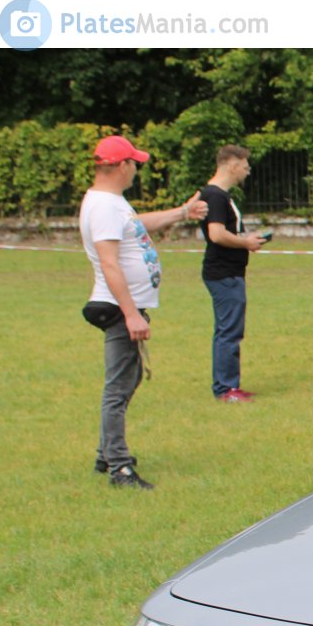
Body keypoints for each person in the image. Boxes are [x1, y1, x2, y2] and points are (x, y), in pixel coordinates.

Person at [80, 135, 206, 489]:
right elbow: (109, 263)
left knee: (127, 379)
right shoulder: (104, 206)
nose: (137, 170)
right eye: (135, 163)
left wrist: (181, 213)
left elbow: (137, 225)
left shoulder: (111, 202)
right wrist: (131, 313)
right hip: (120, 307)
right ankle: (118, 466)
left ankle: (108, 452)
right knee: (118, 387)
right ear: (121, 166)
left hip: (126, 305)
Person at [200, 144, 266, 402]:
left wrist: (246, 237)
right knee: (229, 331)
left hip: (228, 271)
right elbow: (216, 234)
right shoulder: (216, 196)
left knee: (227, 329)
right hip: (224, 272)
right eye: (245, 166)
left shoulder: (216, 194)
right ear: (231, 164)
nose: (247, 172)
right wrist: (246, 243)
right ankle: (227, 389)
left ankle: (227, 386)